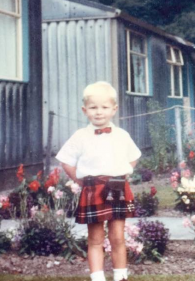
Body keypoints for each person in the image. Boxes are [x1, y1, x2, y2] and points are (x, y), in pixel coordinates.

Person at [56, 81, 141, 281]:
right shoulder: (80, 136)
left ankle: (120, 276)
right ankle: (98, 278)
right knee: (95, 238)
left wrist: (125, 173)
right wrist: (79, 179)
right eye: (93, 107)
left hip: (117, 188)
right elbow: (65, 160)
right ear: (85, 110)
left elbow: (134, 155)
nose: (99, 112)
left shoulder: (121, 135)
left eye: (104, 107)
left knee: (118, 237)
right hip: (92, 189)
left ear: (114, 109)